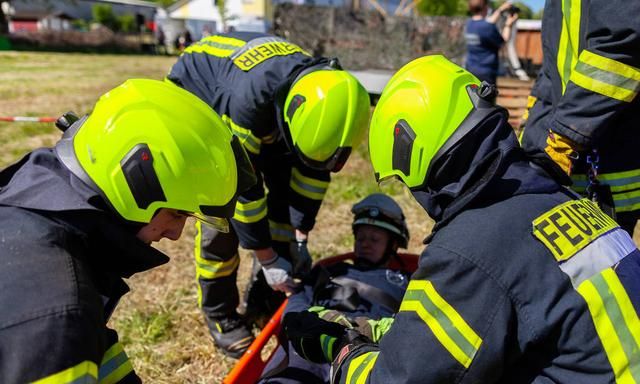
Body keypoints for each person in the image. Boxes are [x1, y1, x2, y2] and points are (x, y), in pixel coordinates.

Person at [283, 55, 640, 383]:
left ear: (413, 155)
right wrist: (372, 330)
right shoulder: (555, 198)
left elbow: (398, 379)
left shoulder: (470, 249)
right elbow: (482, 318)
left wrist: (343, 354)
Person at [0, 79, 255, 383]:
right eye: (177, 213)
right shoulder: (59, 318)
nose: (175, 234)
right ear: (135, 186)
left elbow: (93, 347)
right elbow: (68, 340)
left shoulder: (35, 197)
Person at [166, 31, 370, 358]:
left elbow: (311, 172)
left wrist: (299, 231)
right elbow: (245, 192)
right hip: (202, 98)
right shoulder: (244, 105)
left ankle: (266, 291)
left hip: (264, 105)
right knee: (220, 222)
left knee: (281, 204)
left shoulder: (323, 96)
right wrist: (267, 257)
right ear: (286, 118)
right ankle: (221, 315)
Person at [258, 193, 411, 383]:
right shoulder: (329, 270)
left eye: (374, 239)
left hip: (369, 346)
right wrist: (308, 319)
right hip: (316, 336)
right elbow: (297, 300)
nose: (365, 243)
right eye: (361, 237)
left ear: (393, 245)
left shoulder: (407, 281)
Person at [519, 0, 640, 236]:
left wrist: (564, 138)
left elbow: (620, 50)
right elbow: (555, 66)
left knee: (596, 267)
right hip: (566, 150)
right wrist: (532, 130)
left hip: (605, 164)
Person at [464, 0, 519, 84]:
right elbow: (502, 42)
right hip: (486, 73)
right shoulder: (487, 27)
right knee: (487, 97)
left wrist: (501, 9)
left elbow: (487, 22)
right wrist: (508, 25)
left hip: (470, 69)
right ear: (485, 7)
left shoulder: (469, 24)